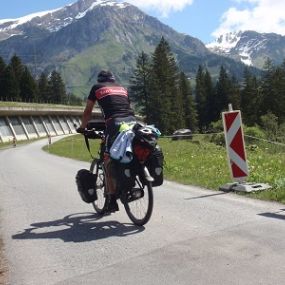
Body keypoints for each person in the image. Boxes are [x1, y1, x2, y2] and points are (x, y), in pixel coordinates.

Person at [77, 70, 136, 212]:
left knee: (107, 159)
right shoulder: (122, 88)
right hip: (132, 123)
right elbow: (128, 107)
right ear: (113, 80)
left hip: (114, 124)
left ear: (100, 80)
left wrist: (82, 127)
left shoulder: (97, 88)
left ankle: (111, 200)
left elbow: (88, 111)